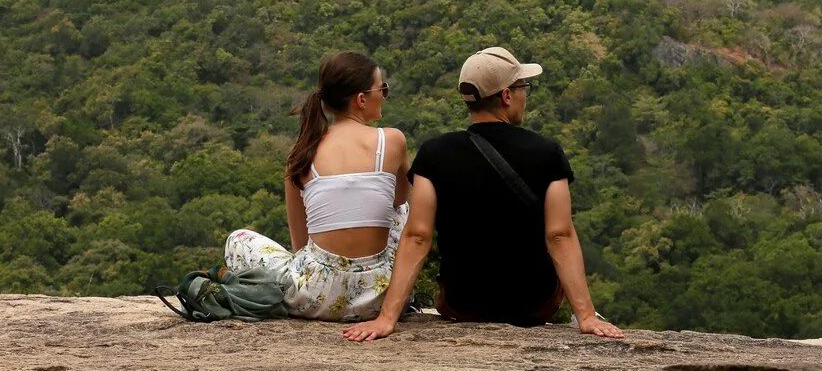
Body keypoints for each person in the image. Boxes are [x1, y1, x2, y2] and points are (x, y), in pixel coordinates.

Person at [343, 47, 624, 341]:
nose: (524, 95)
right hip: (535, 307)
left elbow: (417, 236)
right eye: (522, 87)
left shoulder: (434, 154)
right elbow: (560, 236)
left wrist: (387, 318)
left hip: (461, 305)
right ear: (505, 96)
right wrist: (587, 316)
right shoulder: (547, 153)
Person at [224, 51, 410, 321]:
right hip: (377, 297)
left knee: (237, 240)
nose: (384, 94)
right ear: (361, 100)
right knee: (401, 209)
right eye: (382, 88)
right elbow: (400, 200)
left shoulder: (302, 154)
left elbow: (300, 247)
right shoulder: (392, 141)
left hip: (312, 297)